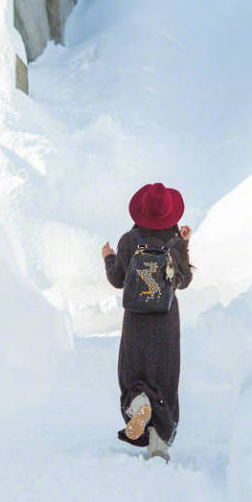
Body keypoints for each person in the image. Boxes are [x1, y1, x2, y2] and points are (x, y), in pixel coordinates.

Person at [102, 182, 193, 462]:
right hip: (166, 318)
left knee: (133, 374)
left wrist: (109, 258)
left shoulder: (129, 241)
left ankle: (139, 402)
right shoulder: (174, 240)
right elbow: (184, 281)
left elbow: (118, 280)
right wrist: (185, 245)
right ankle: (158, 445)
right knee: (164, 379)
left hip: (136, 319)